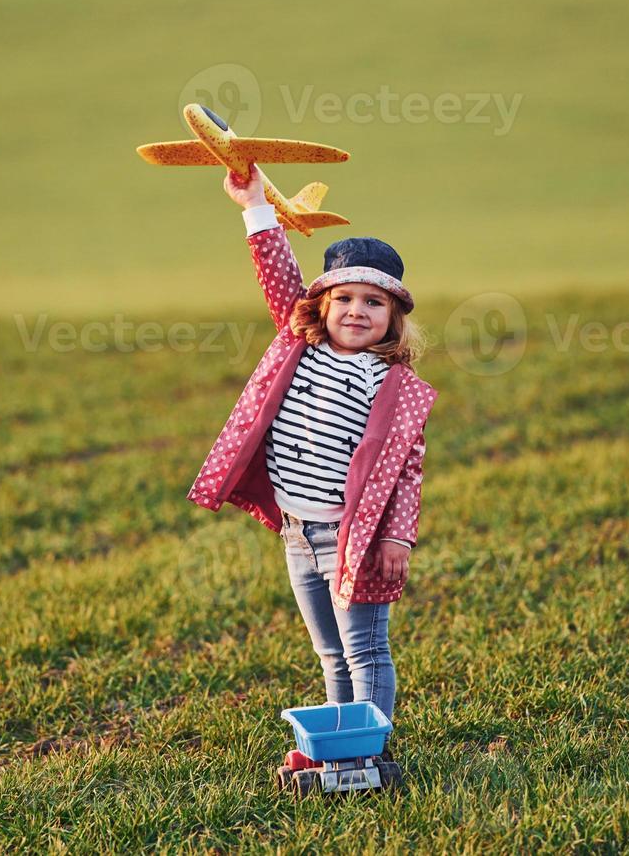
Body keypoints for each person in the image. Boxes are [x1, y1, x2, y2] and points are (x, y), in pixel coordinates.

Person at [185, 163, 440, 764]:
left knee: (365, 651)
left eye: (373, 302)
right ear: (319, 305)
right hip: (298, 534)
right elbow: (278, 275)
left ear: (393, 316)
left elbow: (408, 467)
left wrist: (397, 537)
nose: (356, 310)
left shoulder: (393, 382)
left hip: (352, 537)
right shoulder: (300, 345)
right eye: (343, 297)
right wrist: (254, 204)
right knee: (330, 653)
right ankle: (338, 747)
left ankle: (369, 754)